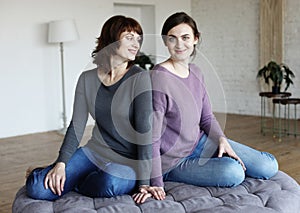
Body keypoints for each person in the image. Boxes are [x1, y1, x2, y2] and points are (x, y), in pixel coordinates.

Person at [133, 12, 278, 204]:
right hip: (175, 161)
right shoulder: (159, 77)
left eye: (185, 38)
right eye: (172, 38)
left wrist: (221, 139)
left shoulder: (196, 72)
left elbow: (207, 117)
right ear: (165, 42)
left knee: (268, 166)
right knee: (233, 173)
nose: (179, 45)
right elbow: (152, 137)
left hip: (200, 142)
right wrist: (157, 182)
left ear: (195, 39)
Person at [26, 15, 153, 201]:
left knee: (110, 183)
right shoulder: (87, 79)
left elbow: (145, 131)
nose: (136, 44)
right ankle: (51, 172)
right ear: (111, 40)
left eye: (138, 38)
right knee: (38, 189)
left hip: (126, 161)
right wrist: (61, 163)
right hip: (94, 152)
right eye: (129, 37)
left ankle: (76, 182)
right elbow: (77, 125)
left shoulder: (140, 78)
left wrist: (144, 184)